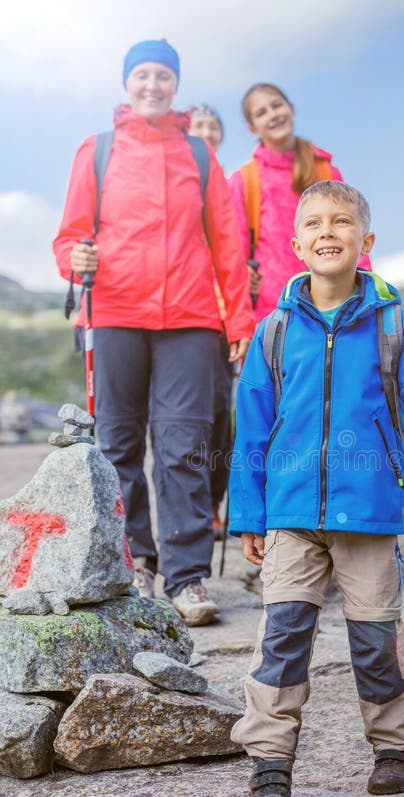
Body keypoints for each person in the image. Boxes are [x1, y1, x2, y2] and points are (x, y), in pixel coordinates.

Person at [227, 181, 404, 797]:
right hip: (291, 515)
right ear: (295, 245)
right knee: (282, 638)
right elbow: (251, 428)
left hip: (367, 513)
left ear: (365, 242)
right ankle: (269, 763)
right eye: (314, 223)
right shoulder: (275, 330)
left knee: (374, 639)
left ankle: (399, 747)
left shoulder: (394, 324)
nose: (328, 231)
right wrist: (248, 514)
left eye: (341, 221)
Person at [53, 40, 255, 627]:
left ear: (175, 86)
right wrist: (75, 259)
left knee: (184, 446)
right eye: (142, 74)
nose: (152, 85)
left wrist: (238, 319)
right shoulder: (98, 150)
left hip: (191, 317)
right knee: (116, 443)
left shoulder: (197, 154)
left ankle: (187, 577)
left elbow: (227, 242)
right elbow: (68, 236)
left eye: (163, 76)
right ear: (126, 83)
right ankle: (136, 560)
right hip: (114, 311)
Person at [228, 83, 370, 321]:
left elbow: (353, 235)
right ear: (252, 128)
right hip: (273, 315)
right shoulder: (244, 181)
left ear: (291, 108)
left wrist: (364, 293)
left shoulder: (326, 172)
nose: (273, 115)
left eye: (276, 105)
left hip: (335, 309)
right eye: (261, 113)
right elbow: (236, 256)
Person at [187, 102, 232, 539]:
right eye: (197, 124)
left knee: (222, 417)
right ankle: (195, 508)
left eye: (212, 126)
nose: (205, 131)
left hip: (223, 321)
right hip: (186, 315)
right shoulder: (175, 178)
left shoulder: (232, 185)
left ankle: (215, 504)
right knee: (187, 418)